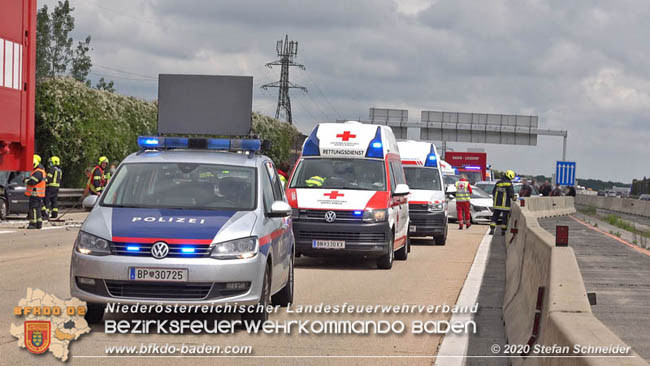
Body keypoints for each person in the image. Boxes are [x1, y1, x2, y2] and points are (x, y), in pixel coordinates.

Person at [490, 170, 515, 235]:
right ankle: (503, 231)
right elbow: (511, 194)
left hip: (497, 204)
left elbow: (493, 192)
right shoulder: (509, 183)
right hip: (505, 204)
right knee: (505, 218)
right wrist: (514, 198)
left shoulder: (498, 183)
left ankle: (492, 229)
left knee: (495, 217)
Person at [25, 155, 46, 229]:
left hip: (35, 194)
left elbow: (32, 182)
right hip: (38, 194)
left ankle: (33, 223)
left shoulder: (38, 172)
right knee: (37, 209)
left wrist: (26, 180)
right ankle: (38, 223)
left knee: (33, 208)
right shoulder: (39, 171)